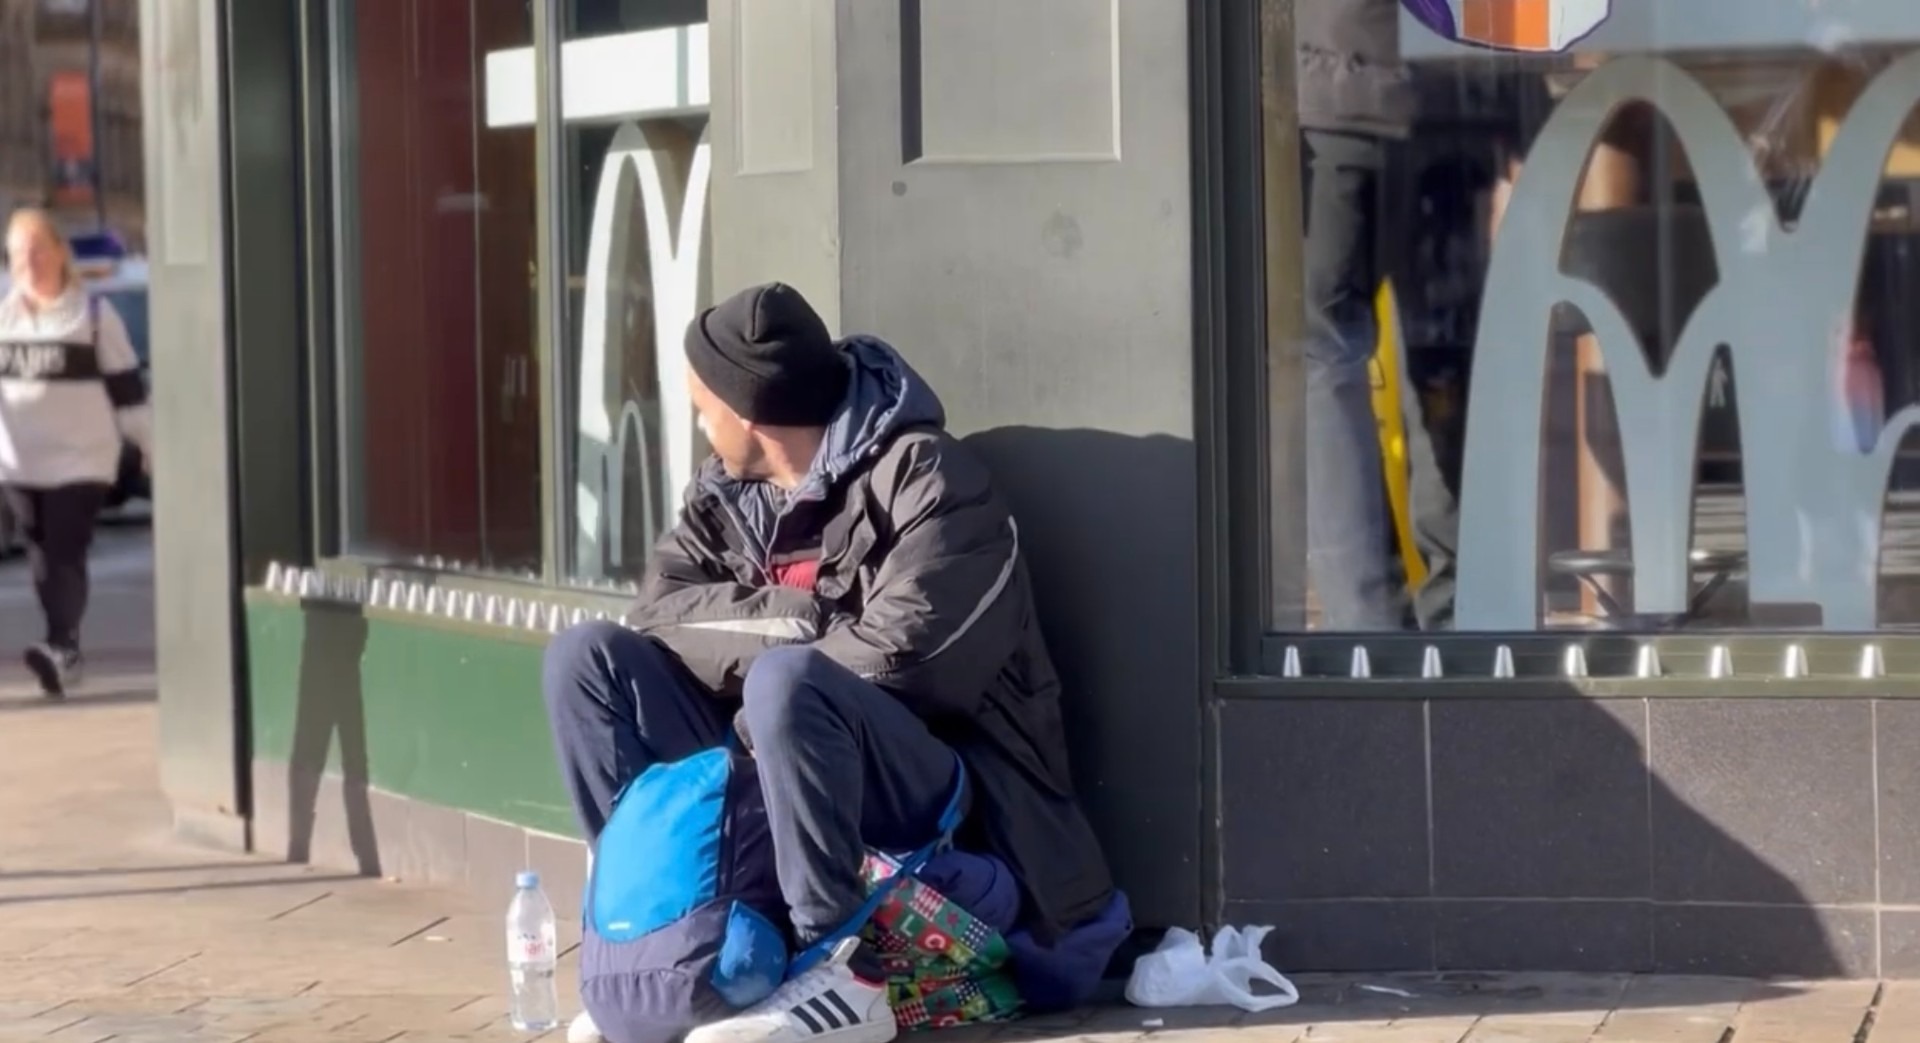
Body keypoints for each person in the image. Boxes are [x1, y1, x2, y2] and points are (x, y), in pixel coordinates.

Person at [544, 283, 1123, 1043]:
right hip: (769, 763)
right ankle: (660, 942)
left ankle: (839, 972)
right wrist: (803, 621)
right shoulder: (723, 497)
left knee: (789, 684)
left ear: (748, 411)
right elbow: (661, 613)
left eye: (701, 402)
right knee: (585, 660)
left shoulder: (931, 481)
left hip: (944, 794)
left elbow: (907, 658)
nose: (696, 420)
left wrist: (767, 670)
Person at [1295, 0, 1459, 630]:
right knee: (1443, 350)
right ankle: (1459, 614)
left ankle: (1366, 626)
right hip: (1451, 91)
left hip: (1335, 89)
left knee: (1325, 357)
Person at [0, 208, 151, 695]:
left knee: (65, 548)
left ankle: (61, 645)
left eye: (39, 249)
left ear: (60, 254)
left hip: (82, 460)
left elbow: (128, 392)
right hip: (20, 460)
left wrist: (150, 448)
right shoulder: (3, 319)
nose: (30, 261)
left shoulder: (92, 317)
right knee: (42, 554)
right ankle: (64, 648)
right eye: (20, 253)